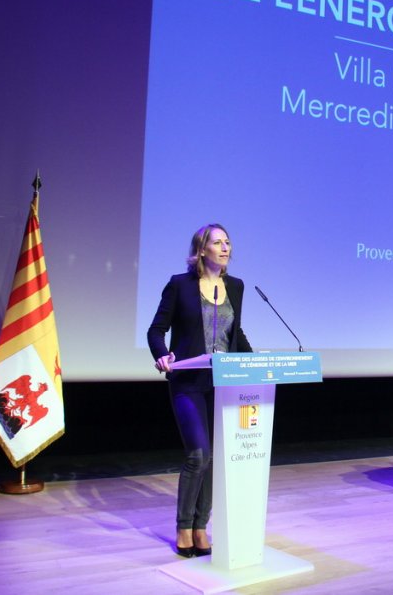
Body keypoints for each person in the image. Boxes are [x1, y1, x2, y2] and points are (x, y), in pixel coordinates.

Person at [147, 223, 253, 557]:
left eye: (228, 242)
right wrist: (162, 355)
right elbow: (156, 330)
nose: (225, 247)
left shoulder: (236, 286)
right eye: (217, 242)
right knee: (198, 455)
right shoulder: (180, 285)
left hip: (224, 385)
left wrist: (255, 363)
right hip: (188, 383)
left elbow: (234, 334)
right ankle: (183, 526)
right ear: (201, 249)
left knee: (215, 458)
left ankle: (200, 526)